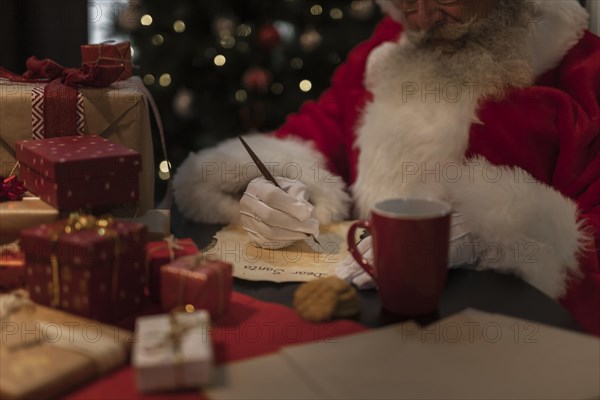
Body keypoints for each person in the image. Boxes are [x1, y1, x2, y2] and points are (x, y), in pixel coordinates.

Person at [173, 0, 600, 335]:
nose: (425, 18)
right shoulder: (387, 51)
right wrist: (280, 186)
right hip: (366, 329)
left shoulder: (581, 71)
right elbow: (318, 133)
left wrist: (496, 236)